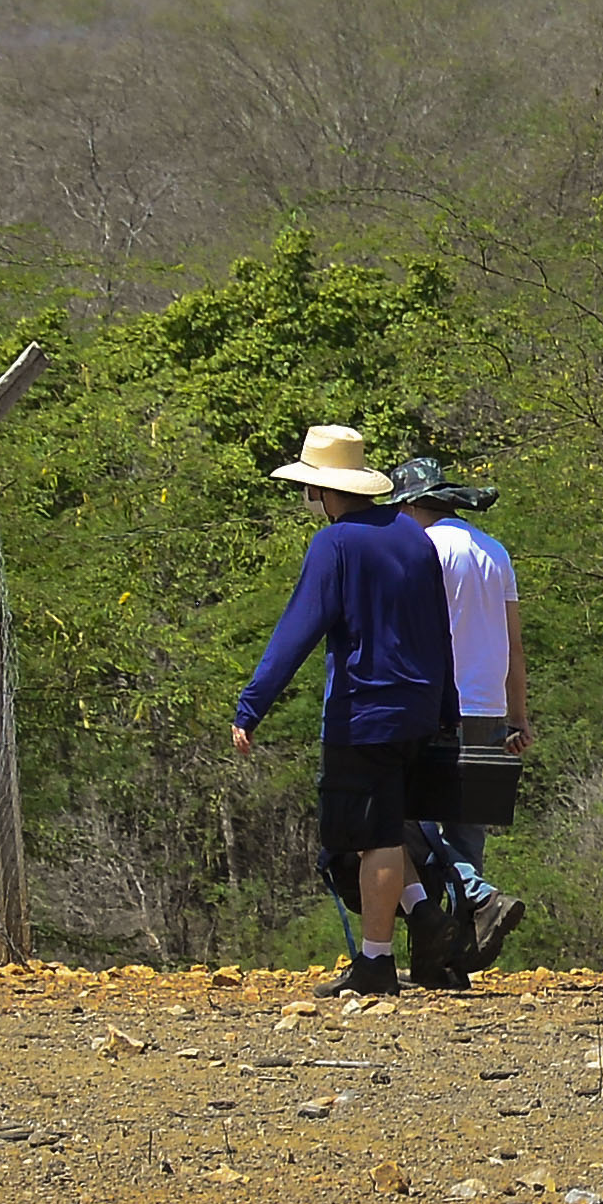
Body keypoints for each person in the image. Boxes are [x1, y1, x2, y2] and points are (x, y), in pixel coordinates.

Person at [228, 425, 458, 1000]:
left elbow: (299, 628)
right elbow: (439, 627)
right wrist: (447, 704)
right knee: (382, 826)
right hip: (420, 705)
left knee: (371, 834)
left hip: (365, 709)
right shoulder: (412, 536)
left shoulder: (335, 544)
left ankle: (376, 962)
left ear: (324, 492)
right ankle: (425, 915)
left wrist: (253, 704)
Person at [387, 455, 529, 984]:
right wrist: (520, 715)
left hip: (440, 705)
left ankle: (477, 894)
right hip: (490, 708)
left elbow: (412, 633)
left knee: (402, 821)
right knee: (465, 835)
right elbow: (514, 643)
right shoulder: (495, 551)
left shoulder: (423, 549)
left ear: (413, 505)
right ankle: (447, 963)